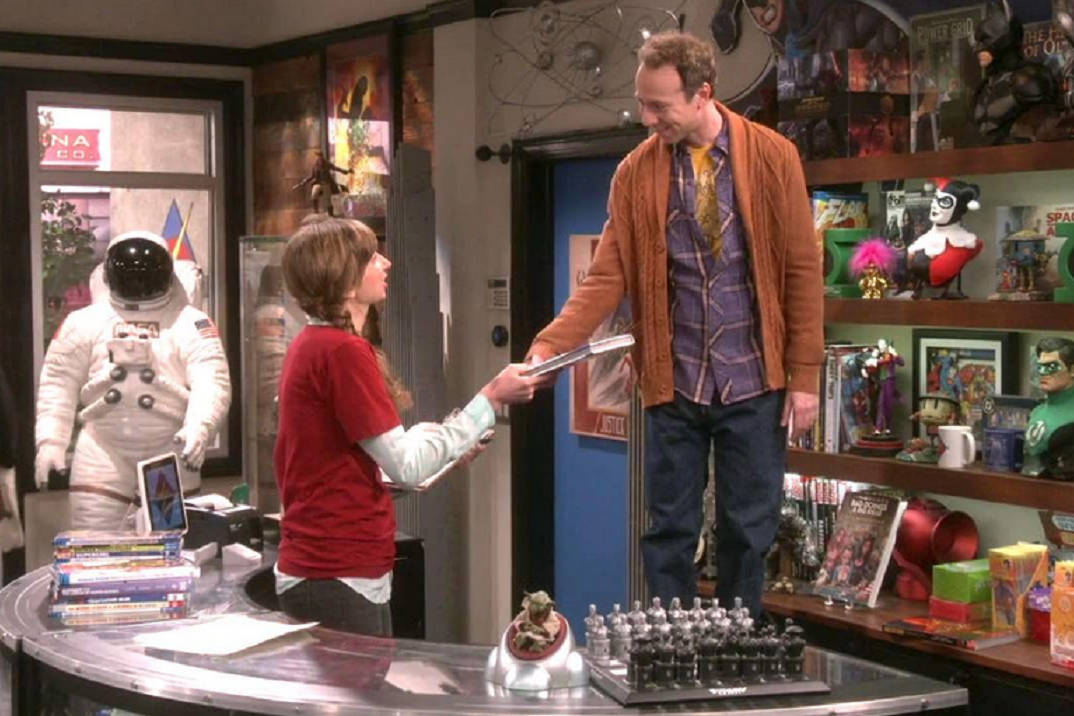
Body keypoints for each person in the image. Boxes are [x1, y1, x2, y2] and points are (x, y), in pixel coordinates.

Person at [526, 31, 823, 619]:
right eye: (643, 103)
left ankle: (737, 642)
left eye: (659, 106)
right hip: (675, 381)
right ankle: (671, 645)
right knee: (668, 532)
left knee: (748, 530)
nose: (647, 118)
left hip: (754, 381)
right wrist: (549, 349)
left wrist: (806, 375)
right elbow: (605, 278)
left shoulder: (773, 156)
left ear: (702, 94)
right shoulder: (635, 173)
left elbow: (801, 269)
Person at [274, 215, 541, 635]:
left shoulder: (314, 346)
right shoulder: (342, 353)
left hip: (338, 572)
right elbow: (408, 466)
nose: (386, 263)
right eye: (371, 257)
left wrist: (449, 451)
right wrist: (490, 398)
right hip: (336, 573)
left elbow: (351, 470)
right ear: (345, 282)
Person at [34, 231, 232, 530]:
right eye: (132, 279)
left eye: (145, 279)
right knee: (95, 543)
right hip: (102, 451)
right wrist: (50, 441)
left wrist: (200, 426)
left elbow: (212, 380)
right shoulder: (84, 323)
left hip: (168, 450)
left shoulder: (191, 323)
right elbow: (58, 383)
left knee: (169, 544)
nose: (139, 286)